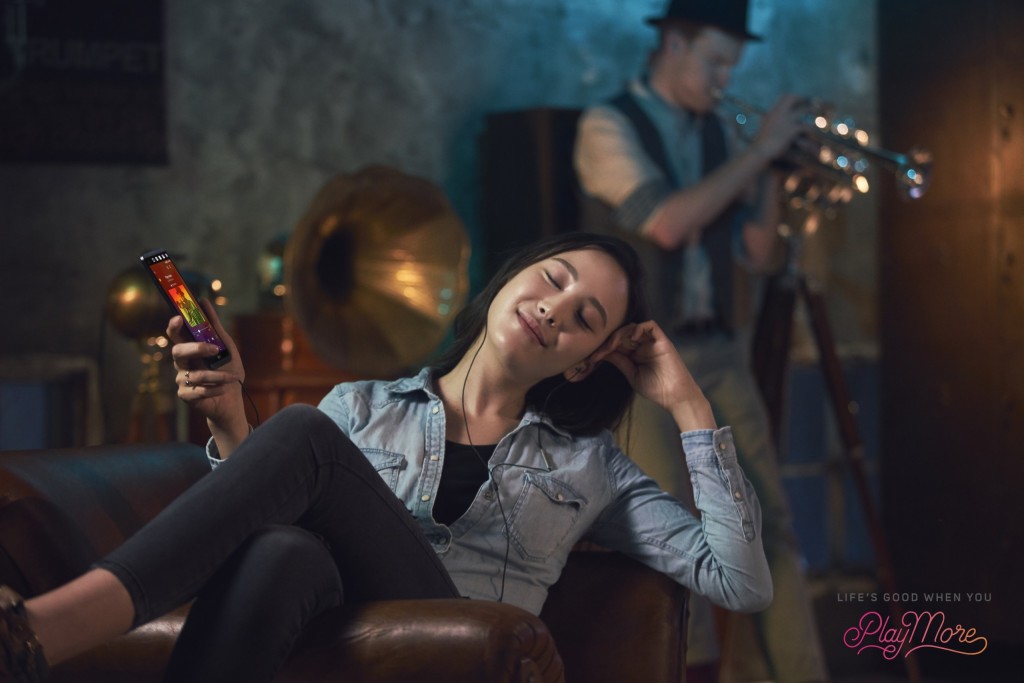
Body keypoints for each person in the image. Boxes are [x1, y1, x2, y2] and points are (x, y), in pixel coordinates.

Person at [0, 232, 772, 683]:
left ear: (581, 363)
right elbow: (258, 515)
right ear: (509, 283)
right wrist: (233, 412)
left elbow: (742, 580)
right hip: (341, 649)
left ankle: (39, 633)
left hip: (457, 659)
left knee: (304, 435)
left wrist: (687, 404)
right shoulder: (360, 408)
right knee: (282, 547)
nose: (554, 308)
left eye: (584, 318)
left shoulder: (592, 467)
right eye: (553, 279)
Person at [573, 1, 828, 682]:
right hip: (639, 362)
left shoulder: (720, 135)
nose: (723, 78)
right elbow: (664, 223)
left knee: (766, 520)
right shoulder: (606, 125)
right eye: (714, 61)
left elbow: (757, 252)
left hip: (719, 349)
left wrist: (773, 176)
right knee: (678, 532)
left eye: (732, 66)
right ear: (674, 43)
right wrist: (759, 151)